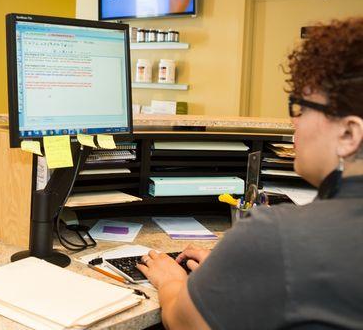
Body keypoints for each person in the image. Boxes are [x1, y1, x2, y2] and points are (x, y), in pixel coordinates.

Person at [137, 18, 363, 329]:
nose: (294, 123)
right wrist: (233, 272)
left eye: (301, 107)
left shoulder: (278, 235)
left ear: (350, 134)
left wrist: (171, 281)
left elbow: (183, 320)